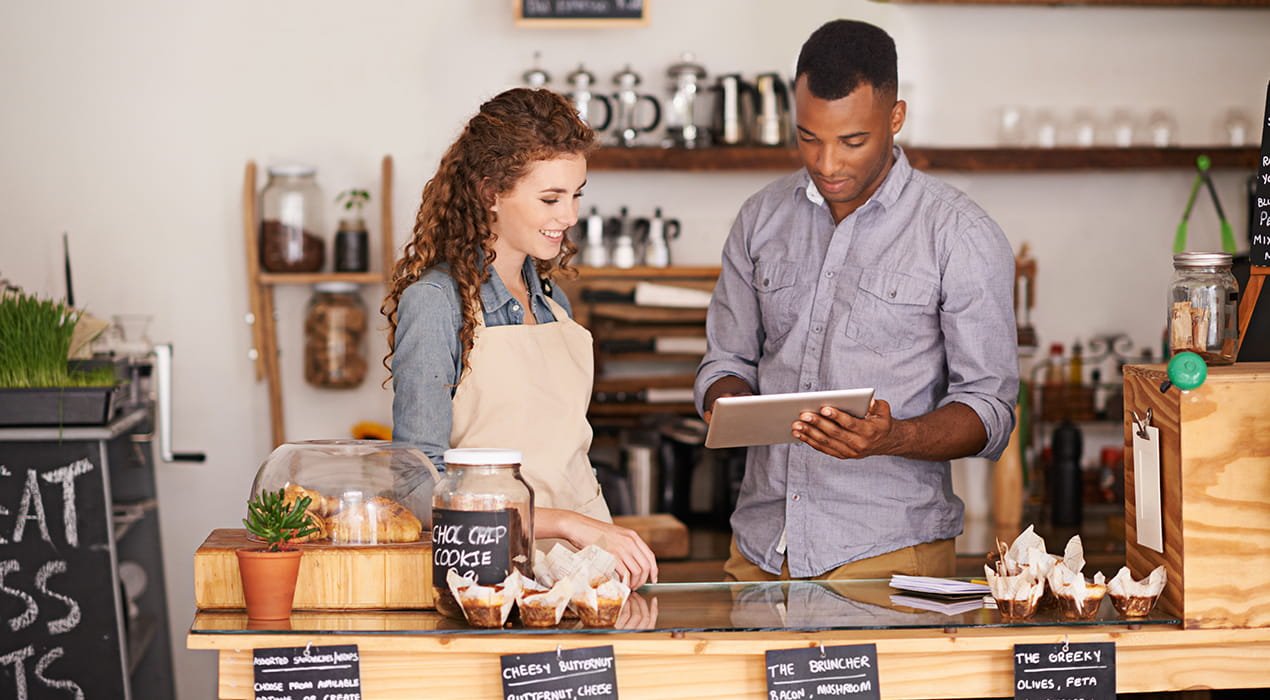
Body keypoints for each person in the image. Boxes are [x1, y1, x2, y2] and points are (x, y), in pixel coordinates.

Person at [695, 20, 1019, 581]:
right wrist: (729, 406)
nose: (826, 164)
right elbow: (726, 362)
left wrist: (895, 437)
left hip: (890, 557)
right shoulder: (760, 219)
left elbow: (991, 410)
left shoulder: (960, 234)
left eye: (852, 141)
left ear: (895, 118)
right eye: (808, 137)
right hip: (759, 552)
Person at [383, 88, 658, 588]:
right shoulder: (437, 302)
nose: (570, 216)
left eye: (576, 195)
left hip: (585, 572)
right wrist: (568, 524)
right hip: (488, 577)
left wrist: (597, 537)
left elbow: (564, 456)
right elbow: (417, 489)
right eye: (550, 198)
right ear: (491, 193)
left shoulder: (556, 307)